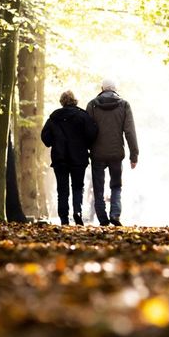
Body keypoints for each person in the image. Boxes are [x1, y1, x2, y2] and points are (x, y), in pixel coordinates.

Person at [86, 79, 138, 226]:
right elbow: (130, 132)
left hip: (97, 153)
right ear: (116, 89)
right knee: (116, 185)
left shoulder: (92, 105)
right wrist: (134, 155)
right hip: (116, 153)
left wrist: (87, 149)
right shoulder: (124, 105)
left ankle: (102, 218)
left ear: (102, 88)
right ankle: (115, 215)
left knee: (98, 186)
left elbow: (87, 131)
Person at [41, 91, 97, 225]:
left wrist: (54, 141)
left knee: (62, 189)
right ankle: (77, 211)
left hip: (60, 159)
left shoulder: (54, 118)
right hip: (79, 157)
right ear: (75, 100)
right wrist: (85, 144)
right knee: (78, 187)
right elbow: (92, 133)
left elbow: (45, 137)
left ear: (62, 102)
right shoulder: (83, 116)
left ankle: (64, 218)